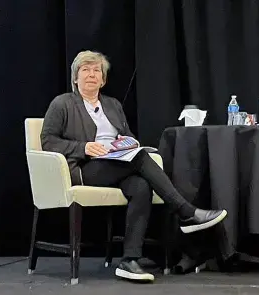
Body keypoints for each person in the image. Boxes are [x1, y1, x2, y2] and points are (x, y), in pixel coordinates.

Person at [41, 50, 227, 282]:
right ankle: (186, 212)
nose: (91, 74)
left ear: (103, 79)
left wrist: (129, 143)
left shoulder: (113, 105)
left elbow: (127, 136)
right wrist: (84, 147)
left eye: (96, 70)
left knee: (141, 186)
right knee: (140, 159)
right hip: (86, 167)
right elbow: (48, 141)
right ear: (75, 78)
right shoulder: (62, 104)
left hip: (119, 163)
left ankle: (129, 260)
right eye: (85, 70)